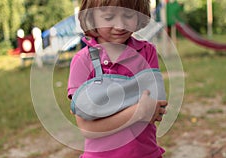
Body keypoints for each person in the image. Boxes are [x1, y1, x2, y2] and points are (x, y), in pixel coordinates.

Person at [67, 0, 168, 157]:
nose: (121, 26)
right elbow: (88, 128)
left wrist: (103, 109)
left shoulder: (147, 52)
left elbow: (156, 109)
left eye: (129, 15)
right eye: (108, 17)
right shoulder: (82, 61)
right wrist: (138, 111)